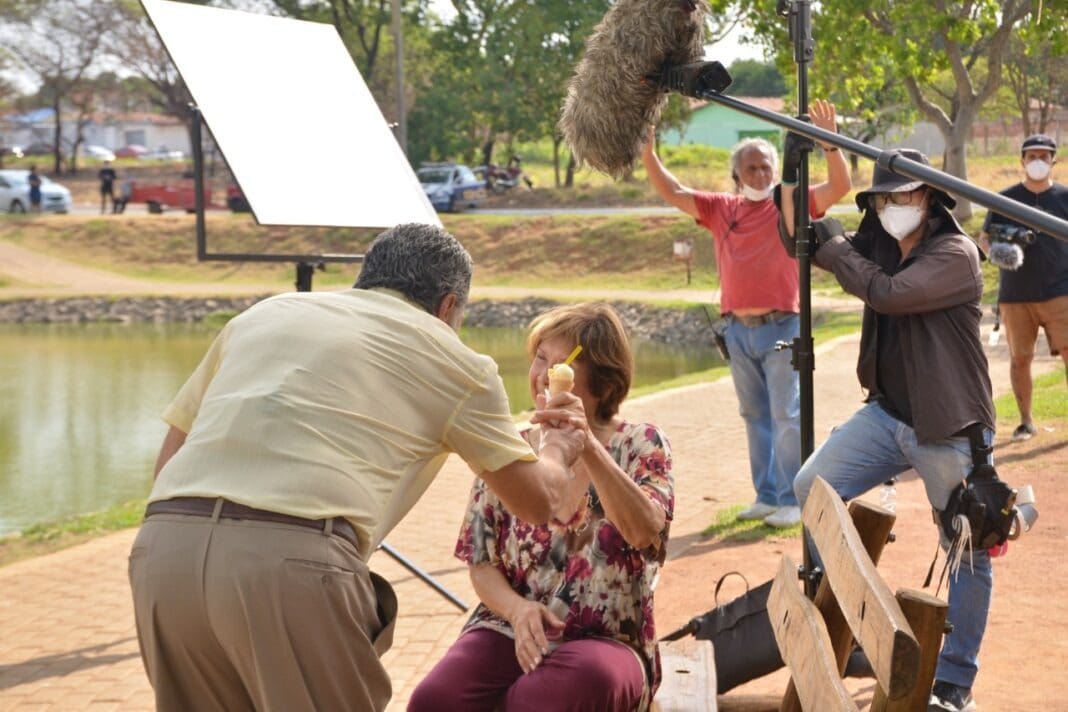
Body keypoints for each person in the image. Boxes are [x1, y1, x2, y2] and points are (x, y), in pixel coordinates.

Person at [128, 223, 589, 712]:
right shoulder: (455, 359)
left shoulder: (263, 316)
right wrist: (557, 446)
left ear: (368, 278)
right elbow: (538, 503)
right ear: (448, 306)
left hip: (163, 551)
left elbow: (172, 455)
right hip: (289, 566)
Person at [788, 150, 995, 712]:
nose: (892, 207)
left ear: (928, 200)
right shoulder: (879, 245)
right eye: (883, 198)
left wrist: (834, 247)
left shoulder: (956, 254)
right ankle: (856, 618)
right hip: (886, 414)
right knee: (813, 489)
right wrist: (806, 160)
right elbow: (798, 240)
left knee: (968, 547)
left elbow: (889, 295)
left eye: (903, 196)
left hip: (948, 424)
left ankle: (954, 683)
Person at [408, 303, 674, 712]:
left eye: (556, 365)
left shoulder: (641, 443)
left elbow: (646, 533)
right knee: (435, 700)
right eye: (540, 358)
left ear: (602, 384)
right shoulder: (510, 449)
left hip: (607, 641)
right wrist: (517, 610)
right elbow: (481, 562)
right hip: (508, 628)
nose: (540, 374)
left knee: (544, 698)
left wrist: (585, 445)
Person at [642, 99, 850, 528]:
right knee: (755, 417)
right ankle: (767, 496)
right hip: (738, 331)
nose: (761, 174)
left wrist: (830, 144)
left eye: (767, 167)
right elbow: (672, 191)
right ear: (737, 175)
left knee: (787, 414)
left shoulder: (791, 203)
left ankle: (794, 498)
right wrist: (648, 150)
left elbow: (839, 188)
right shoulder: (722, 209)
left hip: (782, 326)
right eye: (752, 168)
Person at [979, 134, 1068, 442]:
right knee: (1021, 358)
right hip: (1016, 294)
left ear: (1054, 160)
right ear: (1022, 161)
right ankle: (1026, 421)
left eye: (1044, 156)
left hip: (1061, 290)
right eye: (1032, 156)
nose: (1038, 162)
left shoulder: (1065, 198)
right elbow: (985, 237)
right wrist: (996, 253)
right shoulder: (1004, 199)